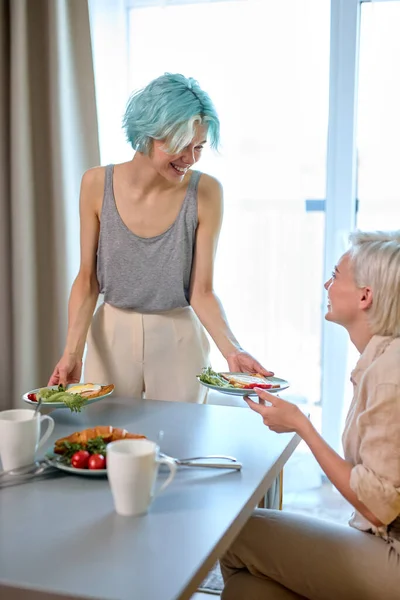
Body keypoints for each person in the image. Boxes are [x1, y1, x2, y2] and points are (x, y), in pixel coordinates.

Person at [49, 73, 270, 402]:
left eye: (199, 147)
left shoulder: (206, 192)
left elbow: (202, 291)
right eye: (182, 145)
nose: (191, 158)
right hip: (111, 334)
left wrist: (233, 351)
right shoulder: (96, 184)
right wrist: (72, 353)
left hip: (178, 335)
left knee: (181, 445)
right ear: (149, 133)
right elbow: (87, 279)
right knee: (109, 442)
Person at [220, 230, 400, 599]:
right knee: (247, 590)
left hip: (392, 557)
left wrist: (302, 426)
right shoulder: (382, 359)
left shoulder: (389, 375)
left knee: (235, 534)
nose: (326, 283)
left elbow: (378, 507)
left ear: (366, 296)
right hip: (380, 542)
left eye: (335, 275)